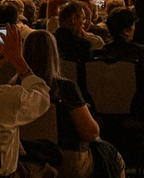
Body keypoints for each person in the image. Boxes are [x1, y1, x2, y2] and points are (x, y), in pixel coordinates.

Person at [22, 30, 126, 178]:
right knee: (114, 157)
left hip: (27, 157)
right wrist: (85, 114)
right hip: (65, 160)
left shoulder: (15, 89)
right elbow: (91, 133)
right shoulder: (65, 88)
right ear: (55, 55)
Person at [0, 25, 55, 178]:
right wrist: (18, 60)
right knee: (49, 171)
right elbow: (42, 96)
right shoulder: (10, 98)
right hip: (1, 175)